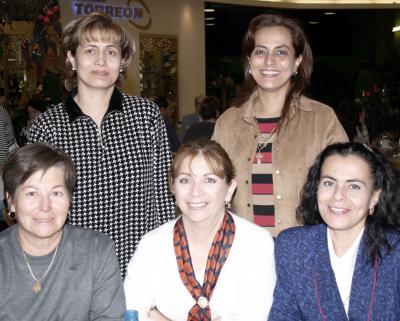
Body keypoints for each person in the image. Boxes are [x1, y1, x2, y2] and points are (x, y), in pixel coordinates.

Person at [28, 12, 175, 276]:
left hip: (140, 267)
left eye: (110, 51)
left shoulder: (146, 116)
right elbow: (39, 208)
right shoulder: (47, 127)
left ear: (123, 61)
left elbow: (162, 197)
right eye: (90, 50)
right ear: (72, 58)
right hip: (73, 270)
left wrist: (166, 264)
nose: (100, 60)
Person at [212, 13, 348, 236]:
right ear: (249, 60)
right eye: (260, 51)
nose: (269, 61)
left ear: (297, 62)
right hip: (245, 256)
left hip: (304, 256)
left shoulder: (321, 119)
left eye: (281, 52)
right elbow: (212, 191)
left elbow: (345, 190)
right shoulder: (228, 123)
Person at [124, 139, 276, 321]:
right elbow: (131, 312)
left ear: (230, 189)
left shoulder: (256, 243)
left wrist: (156, 315)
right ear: (173, 187)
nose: (196, 192)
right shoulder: (152, 245)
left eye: (209, 180)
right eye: (185, 180)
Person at [269, 142, 400, 320]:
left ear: (374, 197)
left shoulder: (394, 252)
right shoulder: (294, 247)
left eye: (354, 186)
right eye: (329, 183)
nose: (338, 195)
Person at [0, 143, 125, 320]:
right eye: (32, 194)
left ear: (69, 200)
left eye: (56, 193)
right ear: (11, 201)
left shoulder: (97, 250)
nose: (45, 207)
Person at [0, 105, 18, 231]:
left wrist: (2, 165)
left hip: (4, 165)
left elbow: (2, 144)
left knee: (4, 208)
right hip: (6, 163)